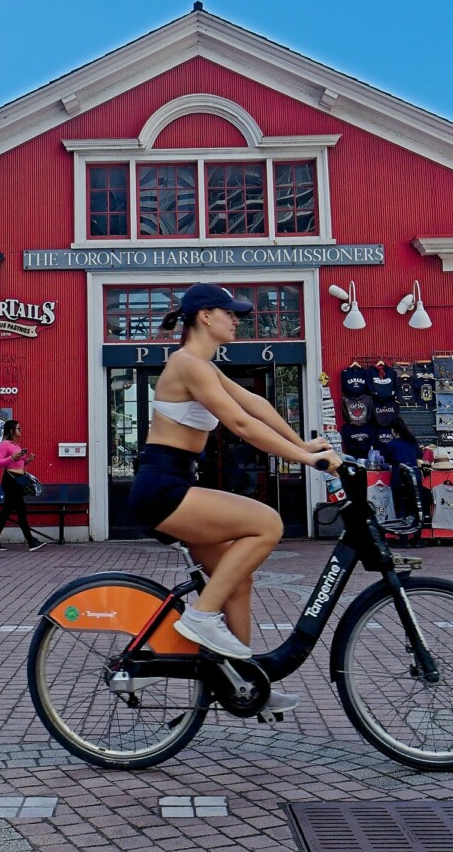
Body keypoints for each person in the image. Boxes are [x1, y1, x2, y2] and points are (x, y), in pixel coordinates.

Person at [129, 283, 340, 711]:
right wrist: (304, 458)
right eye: (230, 313)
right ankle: (202, 616)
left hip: (176, 484)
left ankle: (244, 684)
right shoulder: (188, 364)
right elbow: (239, 424)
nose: (237, 320)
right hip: (163, 487)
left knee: (238, 579)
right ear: (205, 316)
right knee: (268, 523)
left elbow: (256, 404)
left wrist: (304, 443)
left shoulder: (205, 366)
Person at [0, 420, 44, 553]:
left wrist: (26, 460)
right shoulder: (4, 444)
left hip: (17, 479)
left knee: (7, 511)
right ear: (12, 430)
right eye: (18, 428)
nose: (21, 430)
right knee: (21, 510)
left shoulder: (16, 445)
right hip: (10, 480)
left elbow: (18, 463)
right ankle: (31, 541)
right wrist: (12, 457)